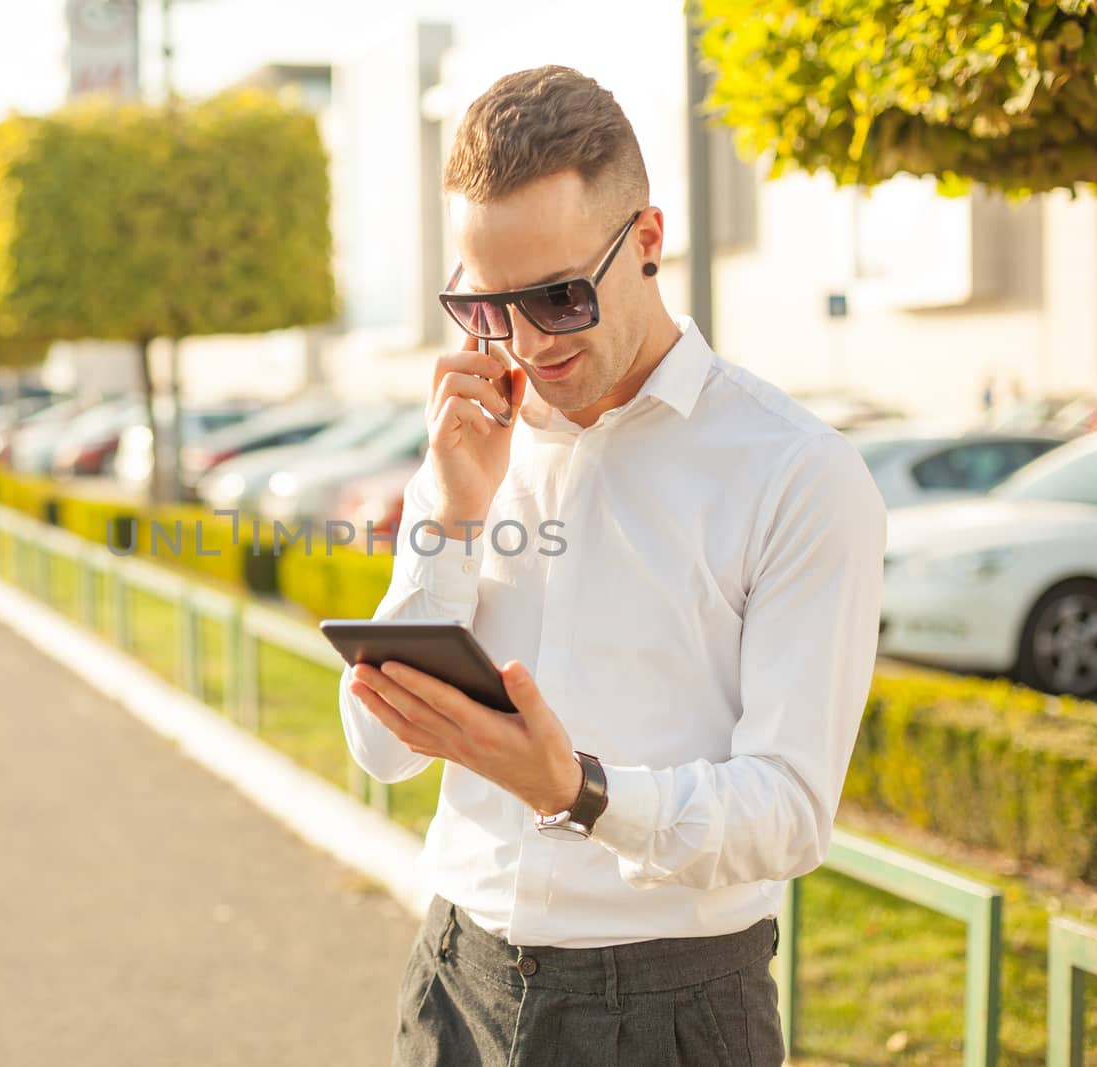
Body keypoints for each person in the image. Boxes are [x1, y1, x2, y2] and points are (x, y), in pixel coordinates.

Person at [336, 66, 886, 1066]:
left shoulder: (797, 471)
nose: (526, 341)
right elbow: (381, 750)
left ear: (644, 242)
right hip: (453, 976)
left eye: (555, 296)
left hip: (670, 1008)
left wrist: (575, 789)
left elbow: (790, 814)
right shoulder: (469, 445)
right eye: (485, 305)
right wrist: (452, 515)